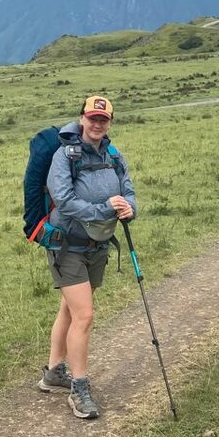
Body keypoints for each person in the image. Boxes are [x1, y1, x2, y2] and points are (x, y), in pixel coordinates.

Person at [37, 94, 136, 419]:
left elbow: (128, 189)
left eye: (103, 119)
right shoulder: (65, 156)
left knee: (70, 308)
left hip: (97, 245)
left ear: (109, 123)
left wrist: (129, 208)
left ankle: (53, 373)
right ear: (82, 119)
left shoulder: (113, 154)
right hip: (66, 245)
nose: (97, 124)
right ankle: (79, 389)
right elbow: (63, 200)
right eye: (92, 118)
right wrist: (102, 210)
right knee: (85, 315)